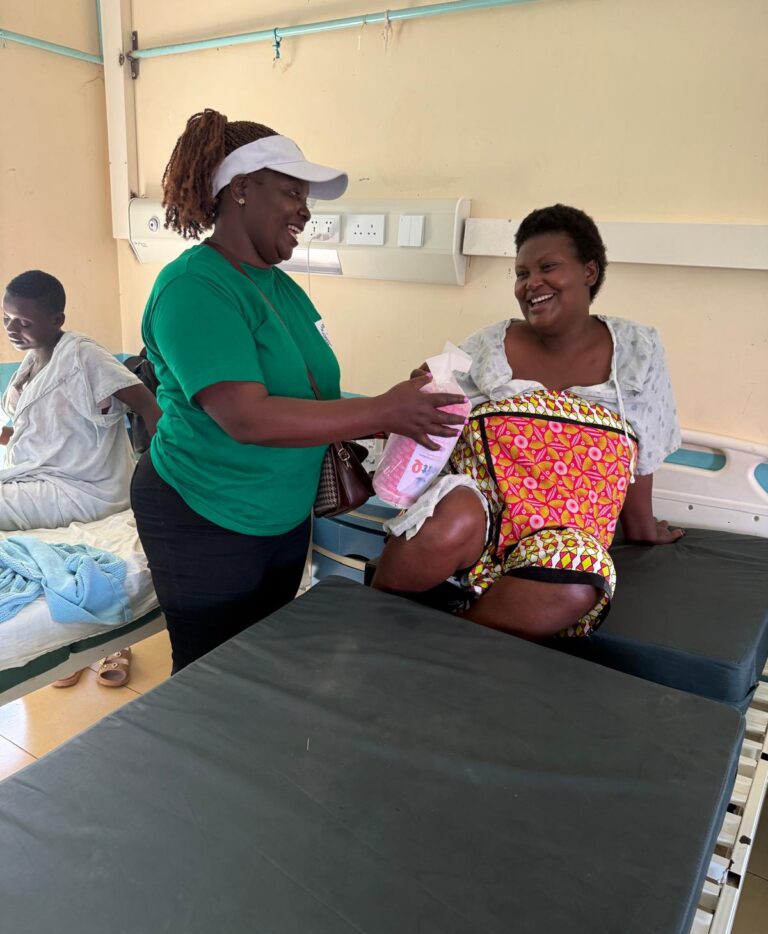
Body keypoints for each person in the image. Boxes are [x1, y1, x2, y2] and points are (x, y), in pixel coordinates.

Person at [130, 109, 465, 672]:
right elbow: (247, 417)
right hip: (204, 511)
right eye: (292, 193)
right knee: (210, 677)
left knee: (266, 662)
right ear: (241, 189)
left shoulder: (281, 288)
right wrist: (382, 411)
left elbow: (312, 397)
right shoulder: (194, 287)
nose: (305, 211)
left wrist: (397, 404)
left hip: (282, 514)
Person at [372, 204, 683, 640]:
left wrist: (642, 528)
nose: (531, 283)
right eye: (522, 273)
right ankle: (367, 623)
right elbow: (427, 411)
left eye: (548, 267)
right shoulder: (487, 347)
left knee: (577, 580)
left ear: (589, 271)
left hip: (564, 537)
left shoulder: (638, 350)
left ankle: (444, 645)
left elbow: (644, 448)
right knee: (451, 517)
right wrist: (421, 390)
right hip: (483, 513)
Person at [1, 270, 161, 531]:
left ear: (57, 320)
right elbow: (47, 435)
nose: (10, 329)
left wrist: (158, 479)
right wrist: (5, 435)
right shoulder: (32, 362)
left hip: (83, 489)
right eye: (6, 318)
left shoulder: (82, 355)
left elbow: (149, 406)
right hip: (38, 477)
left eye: (24, 323)